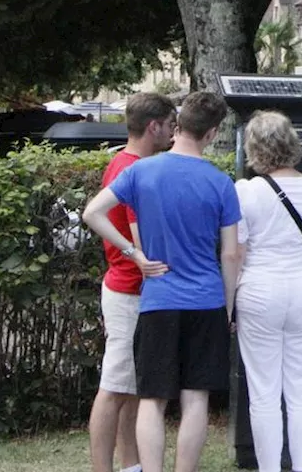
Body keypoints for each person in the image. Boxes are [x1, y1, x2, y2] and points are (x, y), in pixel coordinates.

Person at [82, 92, 242, 472]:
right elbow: (232, 254)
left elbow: (93, 212)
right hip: (205, 302)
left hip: (157, 301)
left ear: (179, 125)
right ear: (212, 132)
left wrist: (134, 254)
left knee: (151, 399)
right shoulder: (221, 182)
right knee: (195, 399)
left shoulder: (140, 171)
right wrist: (228, 307)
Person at [234, 111, 302, 472]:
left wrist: (228, 304)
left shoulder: (245, 191)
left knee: (263, 391)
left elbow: (237, 252)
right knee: (301, 388)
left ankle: (270, 468)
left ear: (254, 148)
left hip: (260, 286)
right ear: (293, 144)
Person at [88, 93, 176, 472]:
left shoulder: (131, 164)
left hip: (136, 290)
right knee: (113, 388)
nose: (175, 130)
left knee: (133, 388)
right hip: (127, 292)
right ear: (153, 126)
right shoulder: (129, 169)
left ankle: (131, 466)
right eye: (171, 124)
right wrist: (134, 253)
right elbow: (103, 218)